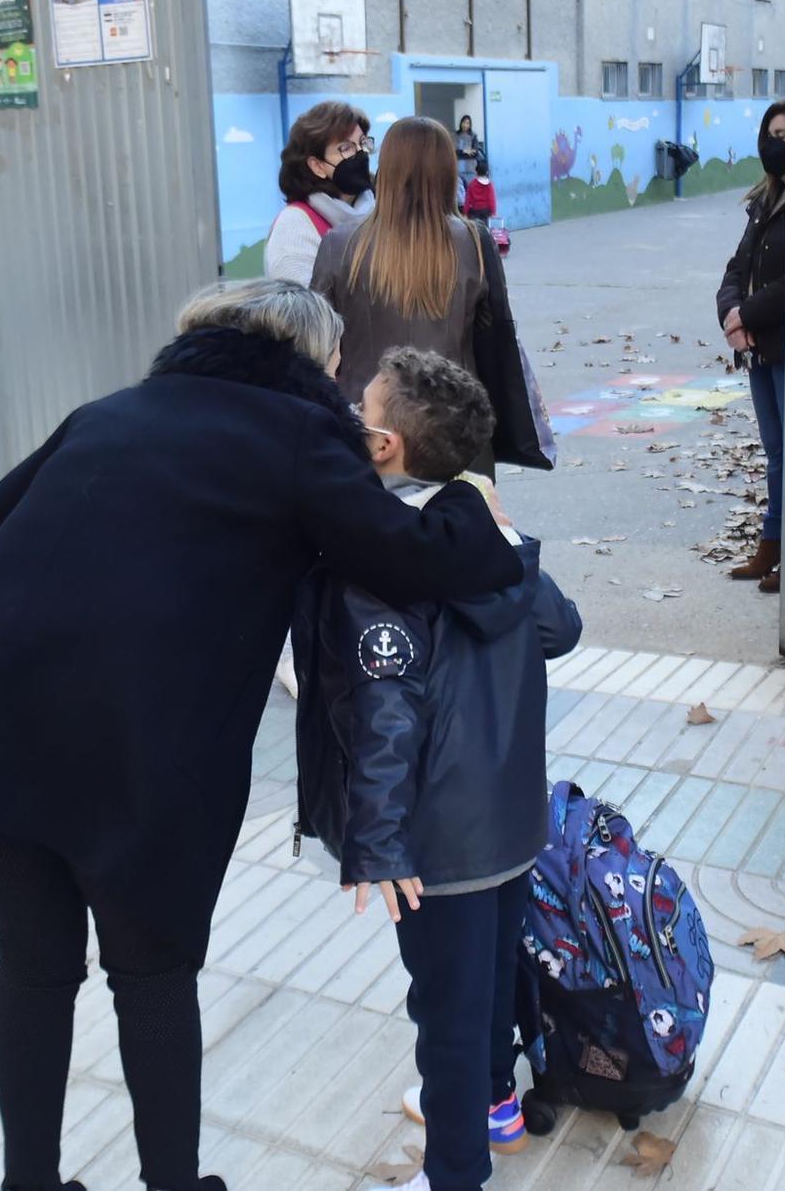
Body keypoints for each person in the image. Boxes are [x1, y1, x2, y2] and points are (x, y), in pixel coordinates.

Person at [0, 280, 522, 1191]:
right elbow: (419, 560)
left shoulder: (109, 413)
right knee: (152, 974)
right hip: (140, 758)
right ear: (312, 362)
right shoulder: (299, 437)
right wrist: (473, 497)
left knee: (36, 964)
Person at [293, 347, 582, 1191]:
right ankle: (497, 1102)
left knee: (445, 1018)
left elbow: (387, 715)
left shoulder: (384, 561)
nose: (349, 419)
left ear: (383, 448)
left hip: (440, 842)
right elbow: (560, 629)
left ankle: (457, 1173)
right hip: (512, 819)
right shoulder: (488, 540)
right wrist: (509, 534)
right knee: (490, 984)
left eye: (359, 412)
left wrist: (378, 843)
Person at [311, 116, 496, 411]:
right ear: (448, 171)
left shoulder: (338, 242)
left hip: (366, 421)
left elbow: (316, 341)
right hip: (453, 423)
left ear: (386, 169)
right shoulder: (474, 242)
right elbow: (493, 338)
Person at [717, 101, 785, 594]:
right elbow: (736, 268)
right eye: (771, 134)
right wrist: (730, 316)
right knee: (775, 452)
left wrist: (749, 314)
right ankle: (771, 544)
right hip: (759, 349)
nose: (776, 143)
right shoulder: (763, 202)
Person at [264, 100, 375, 284]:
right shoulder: (294, 226)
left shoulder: (377, 209)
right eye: (346, 148)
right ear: (317, 166)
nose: (361, 153)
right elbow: (303, 308)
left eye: (363, 143)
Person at [463, 159, 497, 224]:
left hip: (474, 211)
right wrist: (493, 212)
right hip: (486, 211)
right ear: (487, 172)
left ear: (476, 172)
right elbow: (492, 200)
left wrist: (465, 213)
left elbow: (467, 200)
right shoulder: (489, 185)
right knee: (485, 228)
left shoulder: (472, 184)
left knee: (475, 229)